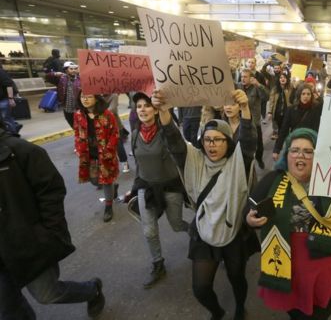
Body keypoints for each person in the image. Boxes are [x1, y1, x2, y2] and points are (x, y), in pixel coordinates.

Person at [154, 89, 258, 320]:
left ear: (228, 142)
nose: (212, 145)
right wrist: (163, 111)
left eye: (218, 140)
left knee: (237, 278)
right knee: (200, 289)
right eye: (208, 140)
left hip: (233, 232)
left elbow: (249, 141)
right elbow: (174, 141)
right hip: (204, 231)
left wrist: (246, 109)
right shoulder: (194, 159)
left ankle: (240, 307)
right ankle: (217, 311)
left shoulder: (238, 161)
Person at [246, 128, 331, 320]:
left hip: (327, 265)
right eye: (295, 150)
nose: (301, 155)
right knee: (298, 314)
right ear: (287, 155)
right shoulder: (272, 180)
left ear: (318, 156)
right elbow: (248, 211)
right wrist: (250, 219)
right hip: (286, 268)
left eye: (308, 151)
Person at [0, 114, 105, 319]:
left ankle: (92, 289)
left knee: (48, 294)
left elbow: (52, 192)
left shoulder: (21, 152)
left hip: (28, 244)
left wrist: (46, 234)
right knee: (8, 309)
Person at [129, 92, 189, 289]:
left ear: (155, 109)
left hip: (170, 185)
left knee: (177, 224)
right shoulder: (135, 134)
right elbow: (138, 163)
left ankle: (200, 235)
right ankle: (158, 264)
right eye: (139, 106)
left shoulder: (165, 132)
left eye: (147, 105)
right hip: (146, 187)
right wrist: (134, 188)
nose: (143, 110)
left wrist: (166, 113)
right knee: (149, 231)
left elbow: (178, 145)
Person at [73, 91, 119, 222]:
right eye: (82, 96)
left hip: (105, 154)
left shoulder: (107, 114)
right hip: (89, 154)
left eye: (88, 96)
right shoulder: (78, 115)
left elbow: (114, 134)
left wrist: (109, 151)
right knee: (94, 181)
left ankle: (108, 207)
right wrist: (77, 146)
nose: (85, 99)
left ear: (96, 98)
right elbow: (77, 132)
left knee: (106, 180)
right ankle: (113, 186)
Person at [272, 83, 322, 161]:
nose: (306, 96)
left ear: (311, 96)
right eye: (303, 94)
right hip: (294, 145)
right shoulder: (291, 110)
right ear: (299, 95)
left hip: (310, 146)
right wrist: (277, 149)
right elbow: (284, 130)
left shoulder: (316, 110)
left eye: (308, 94)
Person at [238, 68, 269, 169]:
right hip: (241, 121)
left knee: (259, 145)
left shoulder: (256, 87)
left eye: (245, 77)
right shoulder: (238, 86)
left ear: (251, 78)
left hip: (254, 122)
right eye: (242, 76)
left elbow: (266, 97)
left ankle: (259, 159)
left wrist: (258, 85)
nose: (243, 78)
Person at [268, 73, 293, 140]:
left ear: (287, 79)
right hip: (277, 112)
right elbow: (271, 101)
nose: (282, 79)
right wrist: (270, 112)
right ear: (278, 80)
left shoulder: (290, 88)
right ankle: (277, 134)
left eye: (284, 77)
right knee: (277, 125)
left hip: (286, 112)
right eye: (281, 77)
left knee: (285, 128)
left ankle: (282, 138)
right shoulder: (275, 89)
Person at [58, 62, 81, 128]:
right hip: (67, 108)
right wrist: (55, 73)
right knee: (73, 125)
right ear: (66, 70)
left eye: (75, 68)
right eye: (71, 68)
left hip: (79, 108)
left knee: (81, 125)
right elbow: (48, 76)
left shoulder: (81, 79)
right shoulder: (61, 79)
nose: (74, 70)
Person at [0, 64, 18, 134]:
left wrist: (11, 98)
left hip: (3, 100)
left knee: (6, 119)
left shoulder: (1, 72)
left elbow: (8, 85)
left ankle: (13, 134)